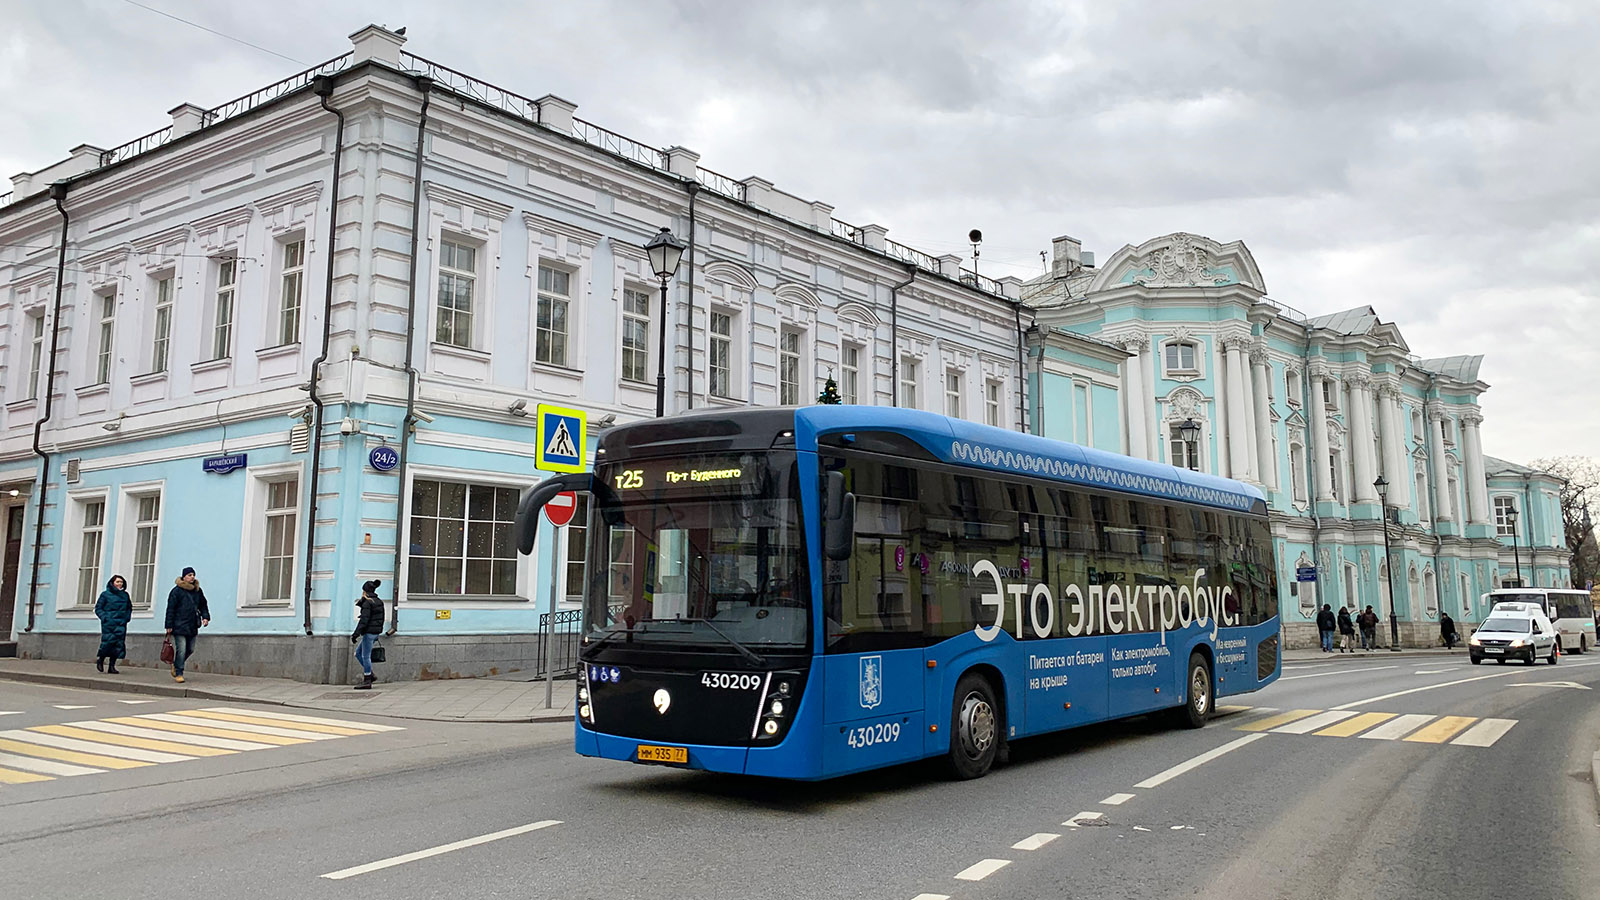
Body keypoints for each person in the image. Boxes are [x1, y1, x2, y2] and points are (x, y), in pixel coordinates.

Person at [164, 566, 211, 683]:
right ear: (184, 577)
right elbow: (171, 609)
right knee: (181, 649)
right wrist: (168, 625)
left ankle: (176, 664)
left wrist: (205, 617)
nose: (192, 577)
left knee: (190, 649)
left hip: (192, 624)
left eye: (193, 575)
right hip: (178, 625)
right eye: (189, 575)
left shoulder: (197, 591)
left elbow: (203, 605)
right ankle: (179, 673)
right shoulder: (176, 591)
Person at [94, 575, 132, 674]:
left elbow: (129, 608)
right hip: (109, 624)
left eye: (121, 582)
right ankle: (101, 660)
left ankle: (112, 666)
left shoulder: (125, 595)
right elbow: (98, 608)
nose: (120, 584)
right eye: (118, 582)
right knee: (107, 643)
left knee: (118, 645)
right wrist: (105, 618)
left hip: (121, 623)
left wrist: (126, 618)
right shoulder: (105, 595)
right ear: (112, 583)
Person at [352, 579, 385, 689]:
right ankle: (370, 674)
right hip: (375, 632)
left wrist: (356, 634)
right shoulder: (379, 601)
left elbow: (364, 620)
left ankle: (367, 680)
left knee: (365, 656)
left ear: (365, 591)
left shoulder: (367, 602)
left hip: (369, 632)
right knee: (357, 653)